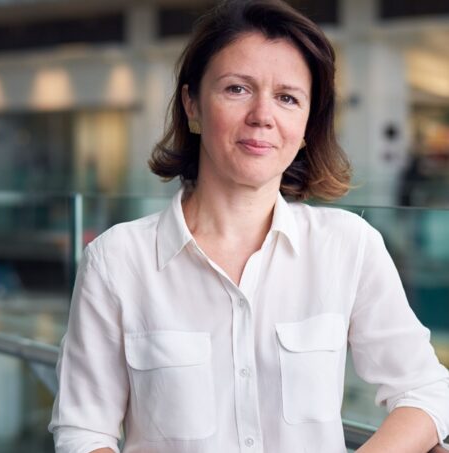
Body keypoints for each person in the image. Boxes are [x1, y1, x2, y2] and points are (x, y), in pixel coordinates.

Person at [48, 1, 449, 452]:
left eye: (287, 98)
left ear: (306, 124)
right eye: (237, 89)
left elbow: (425, 389)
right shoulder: (117, 260)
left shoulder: (348, 246)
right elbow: (85, 430)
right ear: (192, 106)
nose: (263, 115)